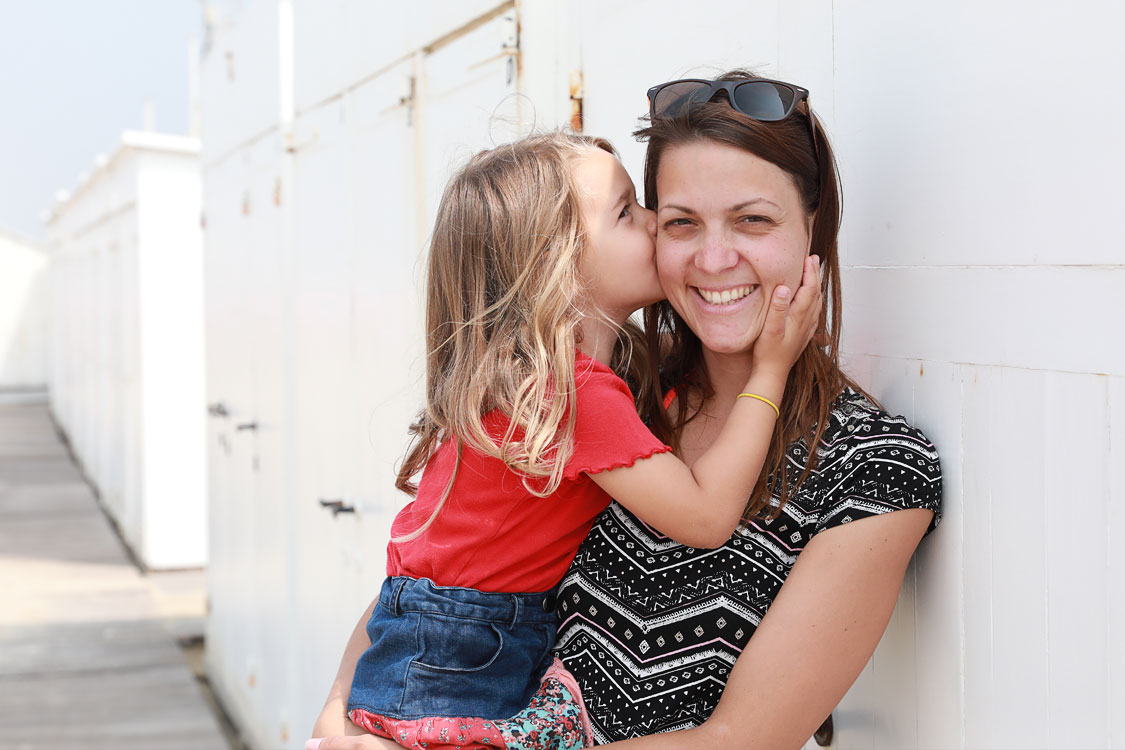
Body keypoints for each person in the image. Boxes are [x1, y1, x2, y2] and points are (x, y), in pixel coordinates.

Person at [310, 71, 940, 750]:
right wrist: (339, 717)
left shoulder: (873, 469)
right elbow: (439, 567)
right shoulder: (617, 384)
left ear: (813, 229)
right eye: (677, 222)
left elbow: (741, 740)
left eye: (753, 219)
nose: (714, 256)